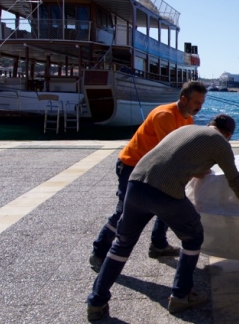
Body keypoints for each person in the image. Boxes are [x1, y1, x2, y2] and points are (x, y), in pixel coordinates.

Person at [86, 114, 239, 321]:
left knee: (122, 244)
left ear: (210, 124)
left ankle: (96, 302)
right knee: (193, 236)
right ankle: (181, 295)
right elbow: (236, 182)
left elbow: (173, 158)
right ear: (228, 135)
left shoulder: (186, 130)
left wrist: (198, 170)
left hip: (135, 183)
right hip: (164, 192)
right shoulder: (220, 143)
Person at [89, 80, 207, 272]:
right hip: (132, 165)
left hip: (153, 167)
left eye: (202, 103)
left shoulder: (187, 119)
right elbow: (171, 152)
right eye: (196, 102)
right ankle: (98, 253)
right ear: (183, 99)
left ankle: (158, 245)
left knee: (170, 197)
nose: (199, 107)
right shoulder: (165, 116)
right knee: (123, 212)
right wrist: (195, 169)